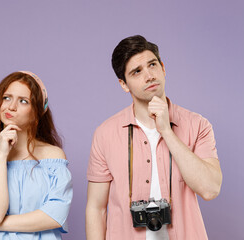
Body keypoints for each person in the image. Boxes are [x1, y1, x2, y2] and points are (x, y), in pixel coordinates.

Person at [85, 35, 222, 240]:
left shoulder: (198, 125)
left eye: (152, 65)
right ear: (124, 84)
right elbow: (96, 209)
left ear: (163, 68)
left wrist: (166, 131)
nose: (149, 75)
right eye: (137, 71)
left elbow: (210, 189)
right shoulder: (105, 133)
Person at [0, 71, 73, 240]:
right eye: (7, 98)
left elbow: (54, 216)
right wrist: (2, 156)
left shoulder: (53, 156)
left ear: (37, 112)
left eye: (23, 101)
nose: (11, 107)